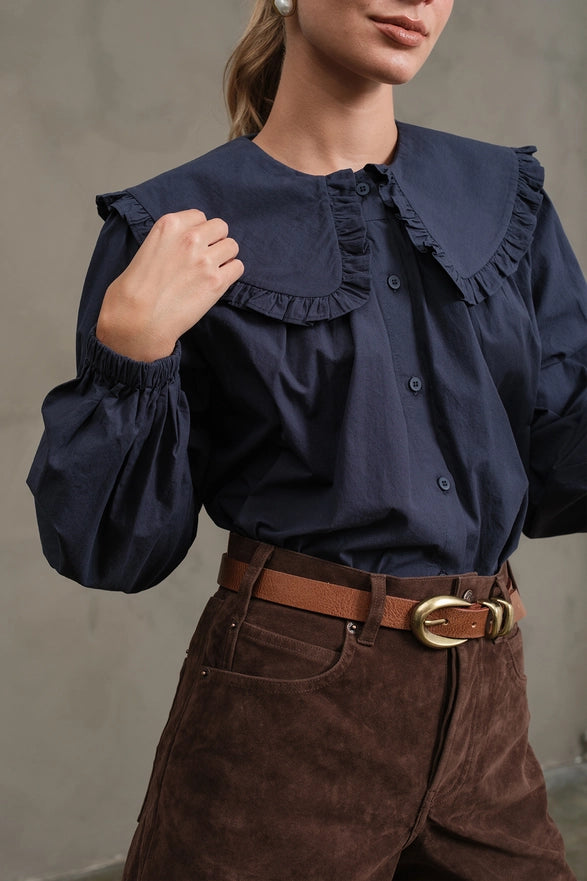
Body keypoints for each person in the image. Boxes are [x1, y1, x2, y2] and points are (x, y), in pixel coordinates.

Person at [27, 0, 586, 878]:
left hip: (485, 706)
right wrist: (132, 355)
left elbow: (561, 466)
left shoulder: (503, 200)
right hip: (286, 716)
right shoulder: (175, 228)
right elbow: (113, 549)